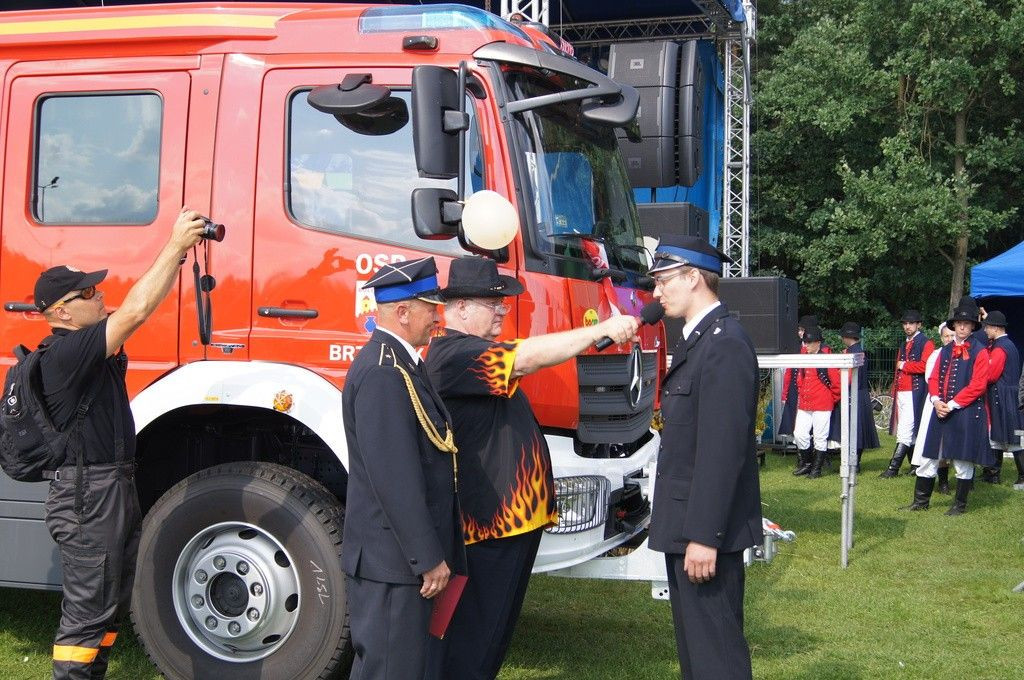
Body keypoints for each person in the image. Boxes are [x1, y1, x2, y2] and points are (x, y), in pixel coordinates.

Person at [424, 256, 638, 680]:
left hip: (511, 524)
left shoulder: (470, 352)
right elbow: (524, 358)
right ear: (461, 308)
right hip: (491, 527)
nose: (503, 309)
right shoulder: (453, 354)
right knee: (473, 637)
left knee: (493, 633)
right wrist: (599, 331)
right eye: (493, 302)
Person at [31, 208, 206, 680]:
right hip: (89, 498)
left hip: (105, 490)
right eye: (87, 292)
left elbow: (134, 311)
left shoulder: (88, 350)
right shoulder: (67, 353)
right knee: (86, 616)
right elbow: (136, 310)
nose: (99, 293)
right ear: (62, 312)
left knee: (106, 607)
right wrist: (174, 246)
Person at [341, 257, 465, 680]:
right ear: (402, 311)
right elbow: (395, 480)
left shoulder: (402, 363)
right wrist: (427, 557)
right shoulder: (383, 373)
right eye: (431, 306)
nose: (437, 316)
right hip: (392, 563)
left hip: (397, 561)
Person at [646, 235, 762, 680]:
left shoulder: (725, 343)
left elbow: (722, 450)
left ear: (694, 277)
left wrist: (704, 536)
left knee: (717, 658)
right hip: (686, 524)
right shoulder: (701, 340)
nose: (657, 293)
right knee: (698, 655)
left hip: (703, 530)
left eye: (663, 280)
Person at [907, 304, 990, 515]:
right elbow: (933, 377)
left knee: (961, 460)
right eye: (959, 323)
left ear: (972, 327)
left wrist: (952, 404)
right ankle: (920, 502)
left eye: (967, 324)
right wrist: (935, 400)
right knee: (929, 456)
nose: (962, 327)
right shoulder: (944, 350)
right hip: (940, 410)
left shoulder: (980, 352)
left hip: (965, 412)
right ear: (954, 326)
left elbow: (978, 385)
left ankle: (959, 505)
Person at [782, 326, 840, 479]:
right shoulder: (804, 356)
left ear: (818, 342)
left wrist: (830, 400)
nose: (805, 345)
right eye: (805, 342)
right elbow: (800, 379)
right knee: (799, 434)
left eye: (808, 342)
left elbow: (836, 384)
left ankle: (816, 469)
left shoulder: (827, 358)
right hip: (805, 403)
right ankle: (807, 464)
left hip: (822, 403)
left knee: (820, 437)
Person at [882, 310, 934, 478]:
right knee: (909, 431)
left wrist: (904, 366)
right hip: (903, 391)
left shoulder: (927, 343)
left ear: (919, 324)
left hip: (915, 392)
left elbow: (926, 366)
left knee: (905, 430)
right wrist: (894, 388)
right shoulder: (905, 343)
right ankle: (914, 465)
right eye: (905, 324)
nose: (907, 326)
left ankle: (893, 468)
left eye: (911, 323)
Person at [910, 323, 956, 493]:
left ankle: (966, 480)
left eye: (952, 336)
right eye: (946, 336)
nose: (949, 339)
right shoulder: (936, 355)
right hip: (936, 404)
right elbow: (931, 379)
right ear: (941, 337)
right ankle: (942, 481)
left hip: (955, 404)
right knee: (937, 445)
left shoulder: (960, 353)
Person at [980, 311, 1023, 484]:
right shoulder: (1007, 344)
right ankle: (993, 474)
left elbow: (991, 375)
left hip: (1002, 396)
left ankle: (1021, 477)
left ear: (996, 328)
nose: (985, 330)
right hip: (1007, 394)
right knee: (998, 435)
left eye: (987, 327)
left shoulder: (1000, 348)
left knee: (1013, 438)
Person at [837, 322, 880, 471]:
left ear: (847, 337)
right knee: (858, 430)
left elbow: (848, 378)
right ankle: (854, 462)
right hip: (861, 393)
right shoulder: (858, 351)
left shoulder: (852, 353)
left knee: (854, 430)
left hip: (853, 393)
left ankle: (854, 463)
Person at [778, 314, 819, 468]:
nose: (799, 333)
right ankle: (802, 458)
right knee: (797, 424)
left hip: (811, 391)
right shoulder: (796, 346)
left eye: (802, 330)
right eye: (800, 330)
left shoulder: (818, 348)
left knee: (814, 426)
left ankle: (816, 457)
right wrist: (785, 393)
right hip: (795, 390)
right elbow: (790, 371)